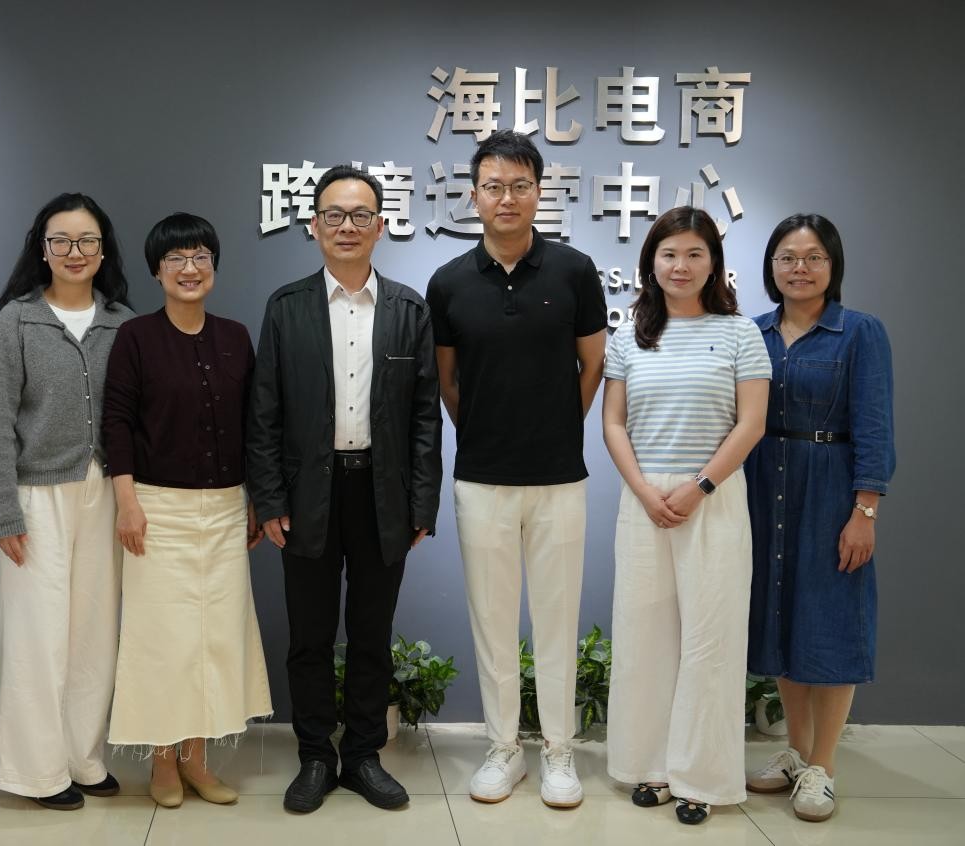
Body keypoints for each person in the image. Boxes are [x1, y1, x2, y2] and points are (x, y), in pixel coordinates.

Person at [247, 165, 441, 813]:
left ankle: (361, 755)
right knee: (308, 633)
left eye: (360, 215)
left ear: (380, 226)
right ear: (314, 226)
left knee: (370, 632)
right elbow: (264, 412)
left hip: (382, 495)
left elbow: (424, 417)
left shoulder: (408, 309)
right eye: (334, 215)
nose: (347, 226)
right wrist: (269, 500)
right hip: (307, 493)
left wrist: (421, 503)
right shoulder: (287, 307)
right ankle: (313, 755)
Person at [424, 129, 606, 807]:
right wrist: (480, 432)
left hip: (559, 478)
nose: (507, 198)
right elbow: (447, 381)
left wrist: (556, 426)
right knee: (492, 622)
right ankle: (504, 748)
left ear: (538, 192)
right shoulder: (448, 282)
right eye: (494, 186)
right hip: (481, 479)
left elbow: (592, 365)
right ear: (474, 195)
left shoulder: (574, 270)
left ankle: (558, 751)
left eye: (520, 185)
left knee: (557, 620)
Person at [602, 206, 770, 825]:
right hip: (644, 501)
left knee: (711, 639)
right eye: (669, 253)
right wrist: (645, 491)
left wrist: (699, 486)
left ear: (713, 264)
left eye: (695, 254)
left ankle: (701, 776)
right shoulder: (629, 336)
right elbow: (613, 422)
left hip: (714, 499)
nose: (681, 265)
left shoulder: (740, 333)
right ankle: (650, 766)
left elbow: (751, 423)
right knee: (644, 635)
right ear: (651, 261)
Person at [103, 213, 272, 808]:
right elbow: (116, 423)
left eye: (201, 256)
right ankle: (162, 762)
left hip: (224, 510)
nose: (189, 268)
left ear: (214, 266)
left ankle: (197, 760)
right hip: (157, 510)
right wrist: (127, 502)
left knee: (214, 639)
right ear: (157, 270)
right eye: (176, 259)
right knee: (163, 640)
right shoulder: (136, 337)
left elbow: (254, 426)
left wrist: (255, 498)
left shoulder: (235, 337)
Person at [0, 192, 134, 810]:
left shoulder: (121, 323)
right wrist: (2, 511)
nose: (75, 252)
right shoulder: (17, 320)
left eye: (87, 240)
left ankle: (83, 759)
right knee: (36, 635)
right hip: (35, 494)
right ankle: (36, 772)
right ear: (42, 250)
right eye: (61, 240)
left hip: (105, 491)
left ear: (103, 250)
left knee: (94, 631)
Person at [744, 214, 894, 823]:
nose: (799, 268)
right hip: (764, 484)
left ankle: (823, 767)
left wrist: (865, 510)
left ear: (833, 266)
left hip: (830, 489)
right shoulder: (753, 332)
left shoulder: (859, 332)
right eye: (787, 257)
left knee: (829, 620)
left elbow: (875, 426)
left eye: (813, 258)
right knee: (782, 618)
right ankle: (797, 752)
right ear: (771, 266)